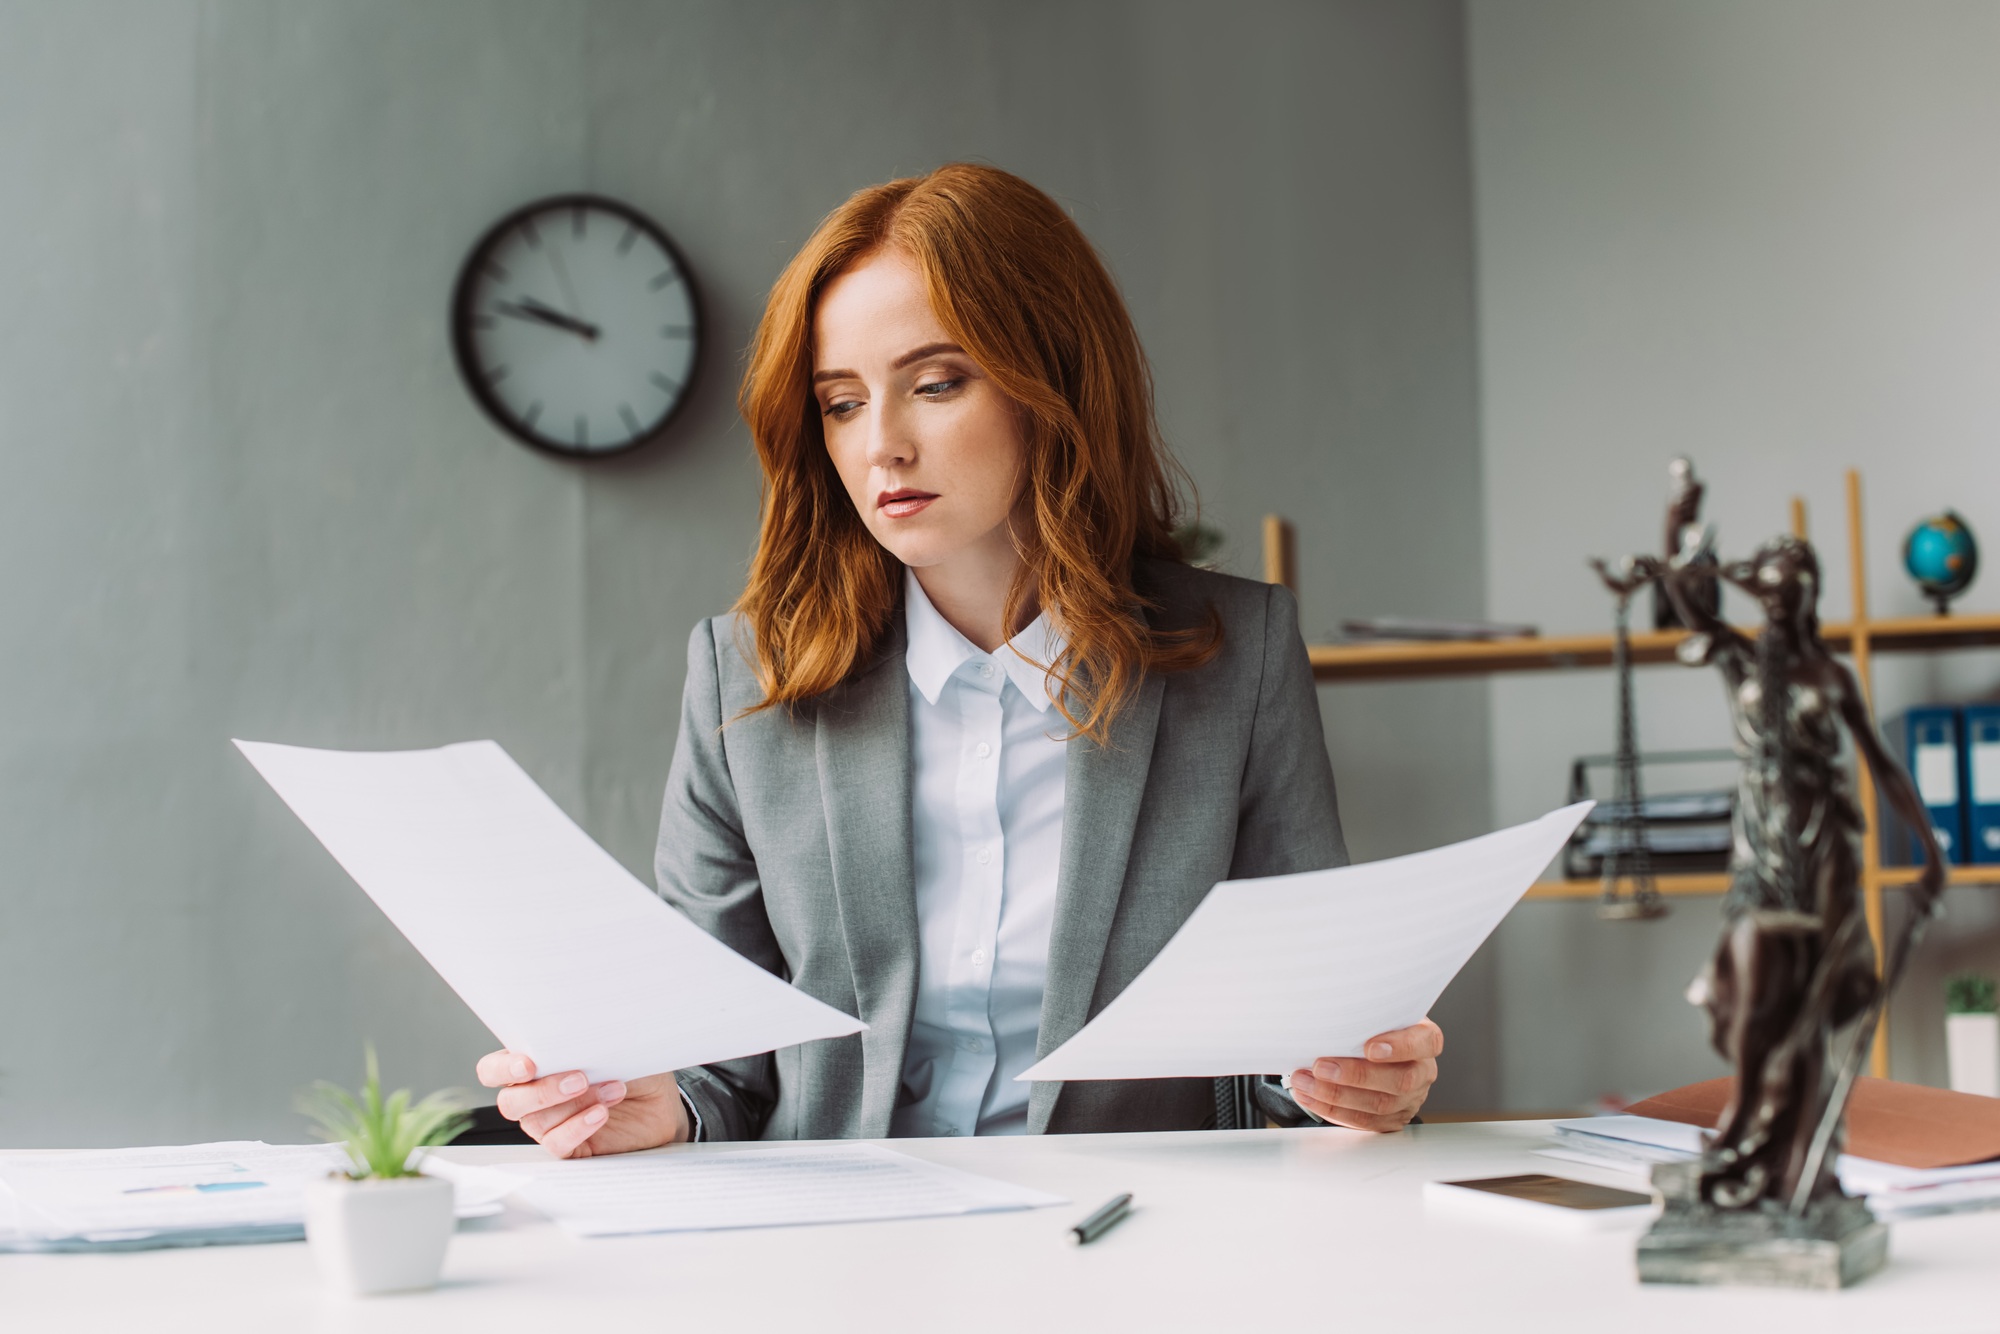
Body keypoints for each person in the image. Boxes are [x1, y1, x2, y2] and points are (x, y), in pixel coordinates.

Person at [476, 163, 1443, 1157]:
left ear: (1053, 383)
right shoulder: (745, 678)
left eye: (934, 384)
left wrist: (1351, 1079)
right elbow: (719, 1065)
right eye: (841, 402)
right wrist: (658, 1103)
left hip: (1130, 1245)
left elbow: (1294, 1042)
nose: (880, 445)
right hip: (833, 1248)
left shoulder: (1235, 661)